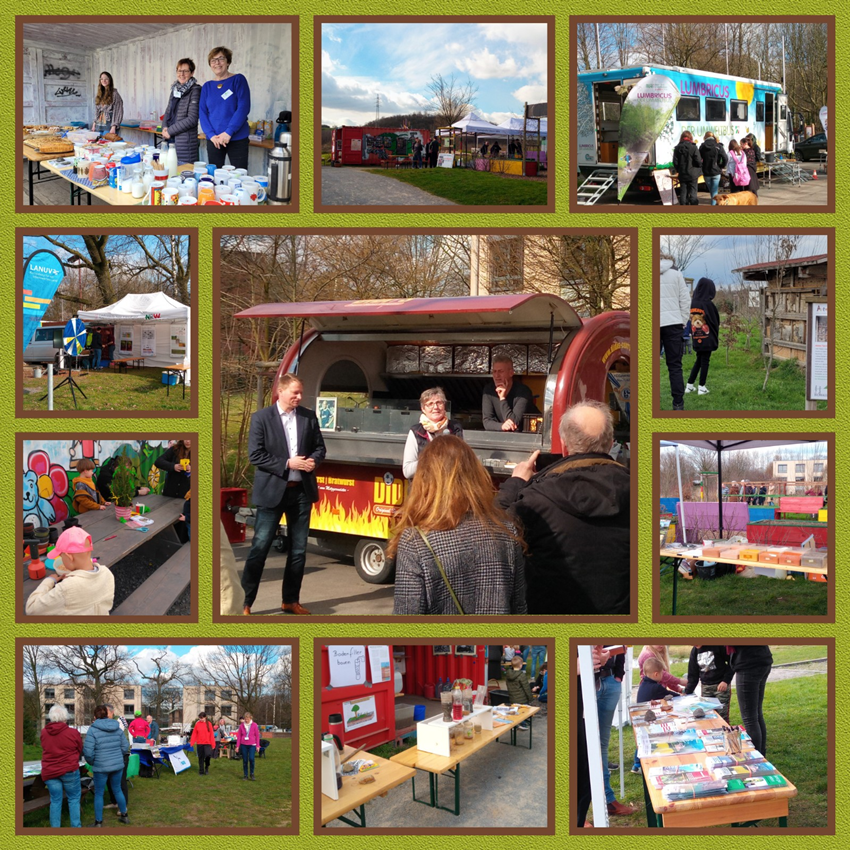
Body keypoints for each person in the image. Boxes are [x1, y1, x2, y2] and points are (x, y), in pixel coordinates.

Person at [497, 401, 629, 615]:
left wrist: (516, 482)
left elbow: (494, 531)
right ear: (611, 443)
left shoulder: (535, 500)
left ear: (564, 443)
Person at [391, 436, 527, 615]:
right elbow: (519, 610)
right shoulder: (507, 532)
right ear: (475, 475)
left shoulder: (415, 542)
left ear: (423, 480)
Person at [241, 373, 326, 616]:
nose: (299, 397)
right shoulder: (261, 418)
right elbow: (255, 455)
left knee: (298, 550)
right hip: (272, 492)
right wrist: (288, 463)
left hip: (301, 492)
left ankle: (290, 601)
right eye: (295, 393)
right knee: (260, 547)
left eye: (301, 393)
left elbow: (320, 448)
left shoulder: (308, 416)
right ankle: (244, 602)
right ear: (281, 391)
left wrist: (313, 461)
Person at [25, 526, 115, 616]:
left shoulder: (66, 588)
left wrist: (49, 581)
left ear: (69, 557)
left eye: (61, 556)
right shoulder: (107, 573)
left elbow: (31, 609)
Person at [596, 648, 637, 816]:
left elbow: (621, 646)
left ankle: (608, 799)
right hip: (587, 681)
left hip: (611, 680)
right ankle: (578, 813)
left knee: (602, 744)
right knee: (581, 744)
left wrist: (618, 675)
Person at [199, 46, 251, 170]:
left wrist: (229, 132)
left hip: (237, 138)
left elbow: (243, 107)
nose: (217, 63)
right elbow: (202, 112)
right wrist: (211, 135)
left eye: (221, 58)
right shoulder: (207, 86)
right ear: (210, 64)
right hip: (214, 140)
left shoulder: (238, 80)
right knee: (215, 174)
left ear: (228, 62)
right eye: (213, 60)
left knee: (238, 175)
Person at [83, 705, 129, 826]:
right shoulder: (117, 728)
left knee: (99, 793)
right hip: (117, 765)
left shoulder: (92, 730)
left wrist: (93, 761)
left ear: (95, 716)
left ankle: (98, 822)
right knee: (117, 789)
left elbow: (88, 752)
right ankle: (124, 815)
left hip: (101, 766)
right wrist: (117, 756)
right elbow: (125, 746)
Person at [402, 387, 463, 479]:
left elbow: (462, 462)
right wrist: (432, 459)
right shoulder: (416, 431)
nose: (435, 407)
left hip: (449, 484)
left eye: (439, 403)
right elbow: (407, 471)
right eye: (430, 404)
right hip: (424, 485)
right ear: (423, 409)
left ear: (444, 406)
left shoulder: (455, 428)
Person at [41, 704, 83, 829]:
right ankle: (75, 827)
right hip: (69, 770)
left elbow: (45, 747)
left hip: (50, 771)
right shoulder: (73, 733)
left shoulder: (44, 733)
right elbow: (80, 748)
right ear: (65, 717)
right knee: (73, 799)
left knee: (55, 800)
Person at [659, 253, 691, 411]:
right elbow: (685, 300)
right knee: (675, 366)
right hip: (673, 323)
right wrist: (683, 321)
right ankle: (678, 404)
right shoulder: (677, 274)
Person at [729, 645, 773, 755]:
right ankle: (761, 755)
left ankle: (756, 757)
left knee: (750, 718)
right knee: (756, 714)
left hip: (749, 664)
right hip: (761, 659)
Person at [162, 58, 202, 165]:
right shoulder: (174, 89)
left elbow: (192, 119)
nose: (182, 74)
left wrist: (169, 131)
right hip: (169, 139)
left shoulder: (195, 90)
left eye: (185, 71)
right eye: (179, 71)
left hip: (185, 142)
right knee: (169, 169)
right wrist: (164, 127)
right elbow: (168, 112)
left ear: (192, 73)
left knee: (183, 171)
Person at [685, 277, 720, 396]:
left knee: (699, 360)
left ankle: (689, 385)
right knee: (705, 361)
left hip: (696, 336)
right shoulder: (708, 304)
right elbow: (715, 321)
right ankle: (702, 387)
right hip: (707, 337)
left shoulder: (693, 303)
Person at [482, 355, 536, 431]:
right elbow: (487, 421)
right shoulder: (489, 390)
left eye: (501, 371)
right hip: (500, 436)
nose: (497, 376)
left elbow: (514, 422)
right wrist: (501, 426)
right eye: (494, 371)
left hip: (525, 435)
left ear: (511, 373)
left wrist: (502, 398)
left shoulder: (523, 392)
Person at [155, 439, 191, 542]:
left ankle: (182, 544)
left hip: (186, 495)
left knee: (182, 522)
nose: (188, 441)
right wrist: (173, 466)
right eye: (186, 438)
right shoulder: (175, 449)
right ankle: (164, 542)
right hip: (170, 492)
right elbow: (158, 461)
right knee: (165, 519)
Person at [684, 645, 732, 722]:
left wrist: (726, 681)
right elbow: (693, 674)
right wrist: (687, 692)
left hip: (721, 686)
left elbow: (732, 662)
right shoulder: (694, 651)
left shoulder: (717, 646)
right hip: (706, 688)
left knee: (722, 717)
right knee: (708, 717)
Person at [104, 705, 130, 811]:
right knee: (109, 779)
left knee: (121, 780)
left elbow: (117, 736)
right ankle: (114, 802)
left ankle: (123, 806)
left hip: (121, 754)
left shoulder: (119, 720)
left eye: (106, 712)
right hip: (110, 755)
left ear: (112, 712)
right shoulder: (106, 721)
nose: (105, 715)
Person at [672, 130, 701, 205]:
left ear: (681, 137)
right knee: (693, 192)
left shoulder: (677, 148)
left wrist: (679, 170)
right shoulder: (693, 147)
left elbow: (675, 162)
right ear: (690, 137)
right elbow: (698, 160)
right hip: (693, 173)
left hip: (682, 173)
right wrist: (698, 167)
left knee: (683, 192)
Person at [699, 132, 727, 205]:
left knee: (713, 191)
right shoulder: (718, 146)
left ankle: (714, 204)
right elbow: (725, 158)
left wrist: (702, 166)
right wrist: (721, 166)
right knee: (714, 191)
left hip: (706, 172)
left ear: (705, 137)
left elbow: (698, 159)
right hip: (716, 172)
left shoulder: (702, 147)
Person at [505, 655, 533, 729]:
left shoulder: (508, 674)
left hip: (512, 697)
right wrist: (530, 698)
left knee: (515, 710)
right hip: (522, 698)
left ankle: (515, 723)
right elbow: (526, 688)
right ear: (520, 665)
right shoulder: (521, 675)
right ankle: (522, 723)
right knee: (522, 711)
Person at [92, 72, 124, 136]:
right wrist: (94, 124)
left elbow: (118, 111)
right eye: (102, 79)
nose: (103, 80)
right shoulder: (100, 94)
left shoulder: (114, 94)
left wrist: (114, 126)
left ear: (110, 80)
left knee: (107, 142)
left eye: (106, 79)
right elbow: (97, 111)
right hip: (99, 126)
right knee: (98, 142)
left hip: (109, 126)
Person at [235, 711, 261, 780]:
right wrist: (237, 746)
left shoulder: (254, 725)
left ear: (250, 718)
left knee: (251, 759)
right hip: (244, 745)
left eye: (248, 719)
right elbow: (239, 736)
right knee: (245, 760)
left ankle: (252, 773)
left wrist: (258, 746)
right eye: (245, 719)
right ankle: (245, 775)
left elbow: (257, 736)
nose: (246, 720)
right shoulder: (241, 726)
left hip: (252, 745)